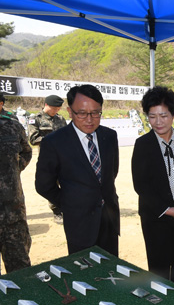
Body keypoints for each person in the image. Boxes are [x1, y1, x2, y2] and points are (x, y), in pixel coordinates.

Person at [35, 85, 120, 256]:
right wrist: (71, 203)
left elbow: (111, 173)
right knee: (83, 276)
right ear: (69, 111)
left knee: (112, 273)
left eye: (95, 113)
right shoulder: (54, 142)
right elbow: (44, 185)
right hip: (79, 223)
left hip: (108, 219)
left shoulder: (109, 136)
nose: (89, 119)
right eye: (82, 113)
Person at [132, 87, 174, 288]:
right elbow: (141, 184)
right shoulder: (142, 144)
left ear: (173, 115)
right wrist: (166, 209)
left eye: (163, 115)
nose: (158, 121)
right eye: (152, 116)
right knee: (159, 268)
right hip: (157, 215)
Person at [0, 108, 32, 273]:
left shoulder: (13, 126)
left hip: (12, 210)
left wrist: (13, 171)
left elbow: (26, 152)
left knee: (20, 268)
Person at [28, 95, 67, 224]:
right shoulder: (35, 119)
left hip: (63, 157)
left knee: (66, 182)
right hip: (47, 158)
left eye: (58, 109)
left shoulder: (61, 119)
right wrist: (51, 141)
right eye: (54, 108)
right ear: (46, 105)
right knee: (51, 184)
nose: (56, 111)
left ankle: (67, 207)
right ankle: (57, 211)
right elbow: (33, 139)